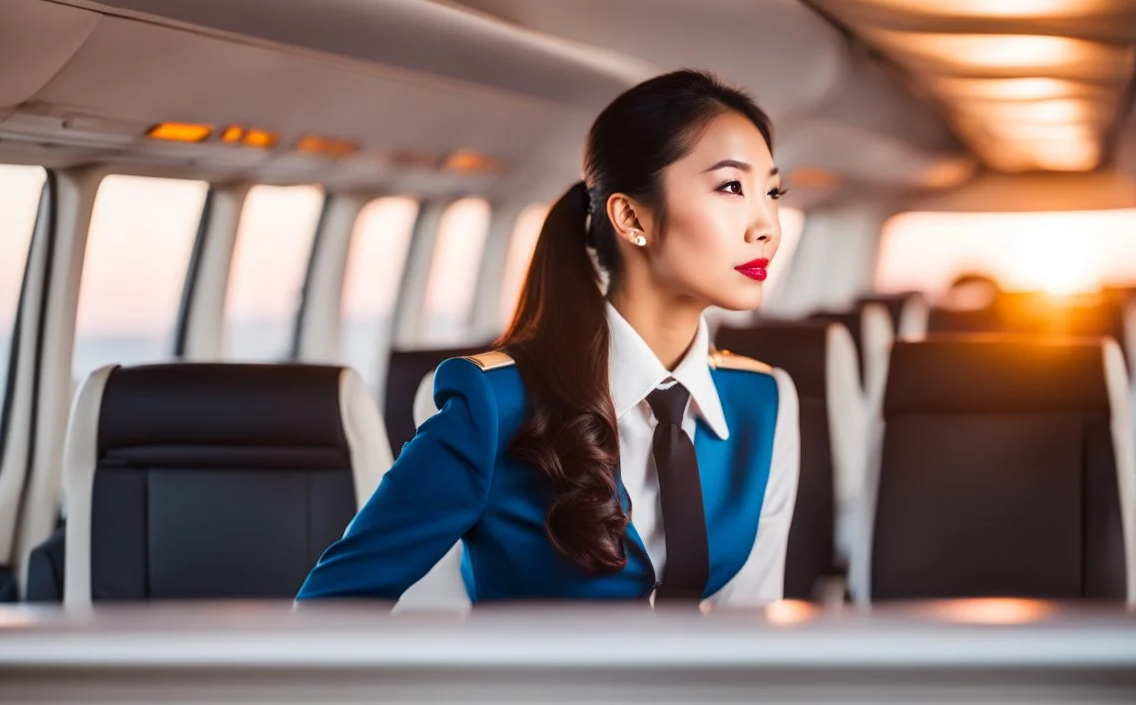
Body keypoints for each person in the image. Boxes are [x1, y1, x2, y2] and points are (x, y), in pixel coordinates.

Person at [297, 70, 800, 606]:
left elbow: (751, 629)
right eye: (731, 187)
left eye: (772, 192)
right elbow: (333, 606)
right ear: (631, 216)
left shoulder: (763, 402)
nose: (766, 225)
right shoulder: (495, 404)